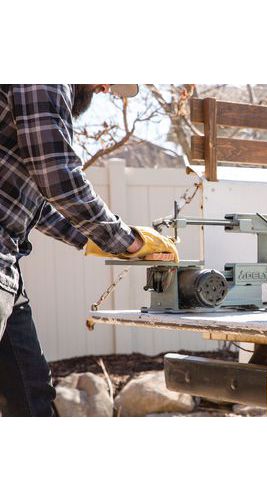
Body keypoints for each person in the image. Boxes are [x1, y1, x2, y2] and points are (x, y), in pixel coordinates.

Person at [0, 84, 177, 416]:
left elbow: (36, 203)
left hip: (7, 263)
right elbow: (58, 177)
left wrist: (98, 242)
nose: (106, 87)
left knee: (31, 394)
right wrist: (128, 241)